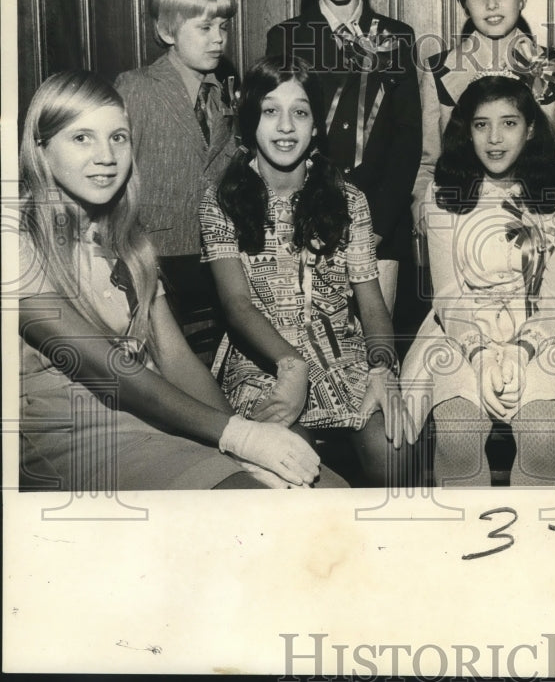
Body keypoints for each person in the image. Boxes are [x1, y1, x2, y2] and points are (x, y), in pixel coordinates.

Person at [18, 71, 333, 491]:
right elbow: (112, 370)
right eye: (81, 138)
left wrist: (244, 438)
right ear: (41, 149)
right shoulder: (18, 244)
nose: (106, 155)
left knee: (327, 490)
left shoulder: (129, 243)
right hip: (75, 434)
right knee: (253, 501)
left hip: (155, 418)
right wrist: (236, 436)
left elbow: (176, 359)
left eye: (119, 138)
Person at [200, 56, 407, 488]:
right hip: (262, 364)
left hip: (344, 359)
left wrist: (383, 367)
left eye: (300, 112)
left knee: (395, 447)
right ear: (250, 121)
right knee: (291, 460)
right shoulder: (222, 201)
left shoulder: (349, 200)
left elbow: (371, 301)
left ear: (316, 127)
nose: (285, 126)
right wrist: (291, 367)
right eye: (270, 111)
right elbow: (236, 305)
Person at [401, 75, 555, 486]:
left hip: (545, 331)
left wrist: (522, 352)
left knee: (544, 433)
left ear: (531, 129)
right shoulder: (443, 192)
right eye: (480, 124)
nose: (494, 138)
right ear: (465, 131)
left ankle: (534, 543)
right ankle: (464, 543)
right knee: (457, 429)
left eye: (508, 123)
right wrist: (480, 354)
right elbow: (449, 296)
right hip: (460, 330)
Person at [265, 0, 421, 313]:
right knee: (316, 346)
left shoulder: (397, 37)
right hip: (310, 220)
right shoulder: (286, 39)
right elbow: (281, 137)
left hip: (383, 224)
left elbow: (408, 140)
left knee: (378, 354)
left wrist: (379, 227)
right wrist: (309, 218)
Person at [114, 0, 239, 354]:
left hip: (214, 258)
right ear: (168, 32)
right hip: (156, 255)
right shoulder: (136, 88)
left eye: (223, 27)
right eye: (204, 28)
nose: (218, 39)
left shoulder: (224, 96)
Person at [412, 0, 555, 234]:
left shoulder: (552, 67)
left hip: (537, 219)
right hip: (459, 218)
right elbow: (428, 162)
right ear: (464, 3)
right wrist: (422, 212)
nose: (491, 5)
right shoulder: (439, 70)